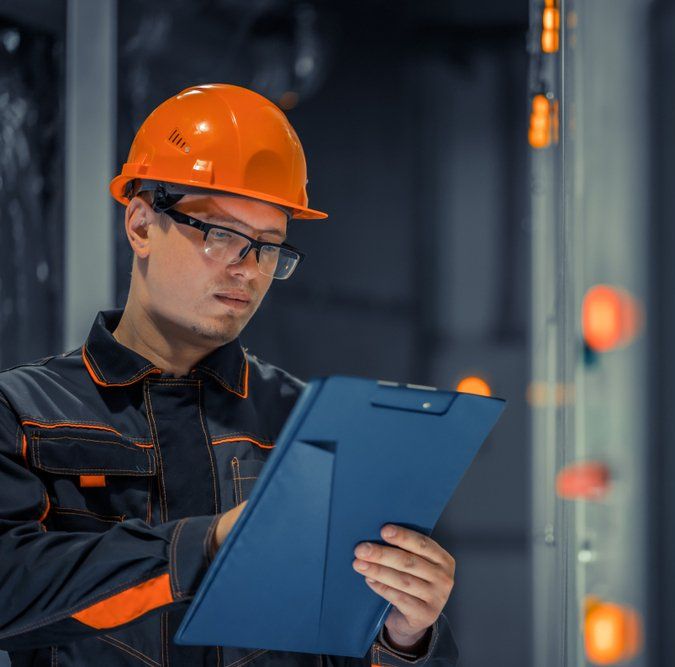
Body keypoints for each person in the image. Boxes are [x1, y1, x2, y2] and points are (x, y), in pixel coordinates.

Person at [0, 83, 459, 666]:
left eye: (268, 246)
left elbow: (342, 639)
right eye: (220, 235)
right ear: (140, 224)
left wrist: (406, 636)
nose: (247, 270)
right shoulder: (23, 412)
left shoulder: (309, 424)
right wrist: (209, 543)